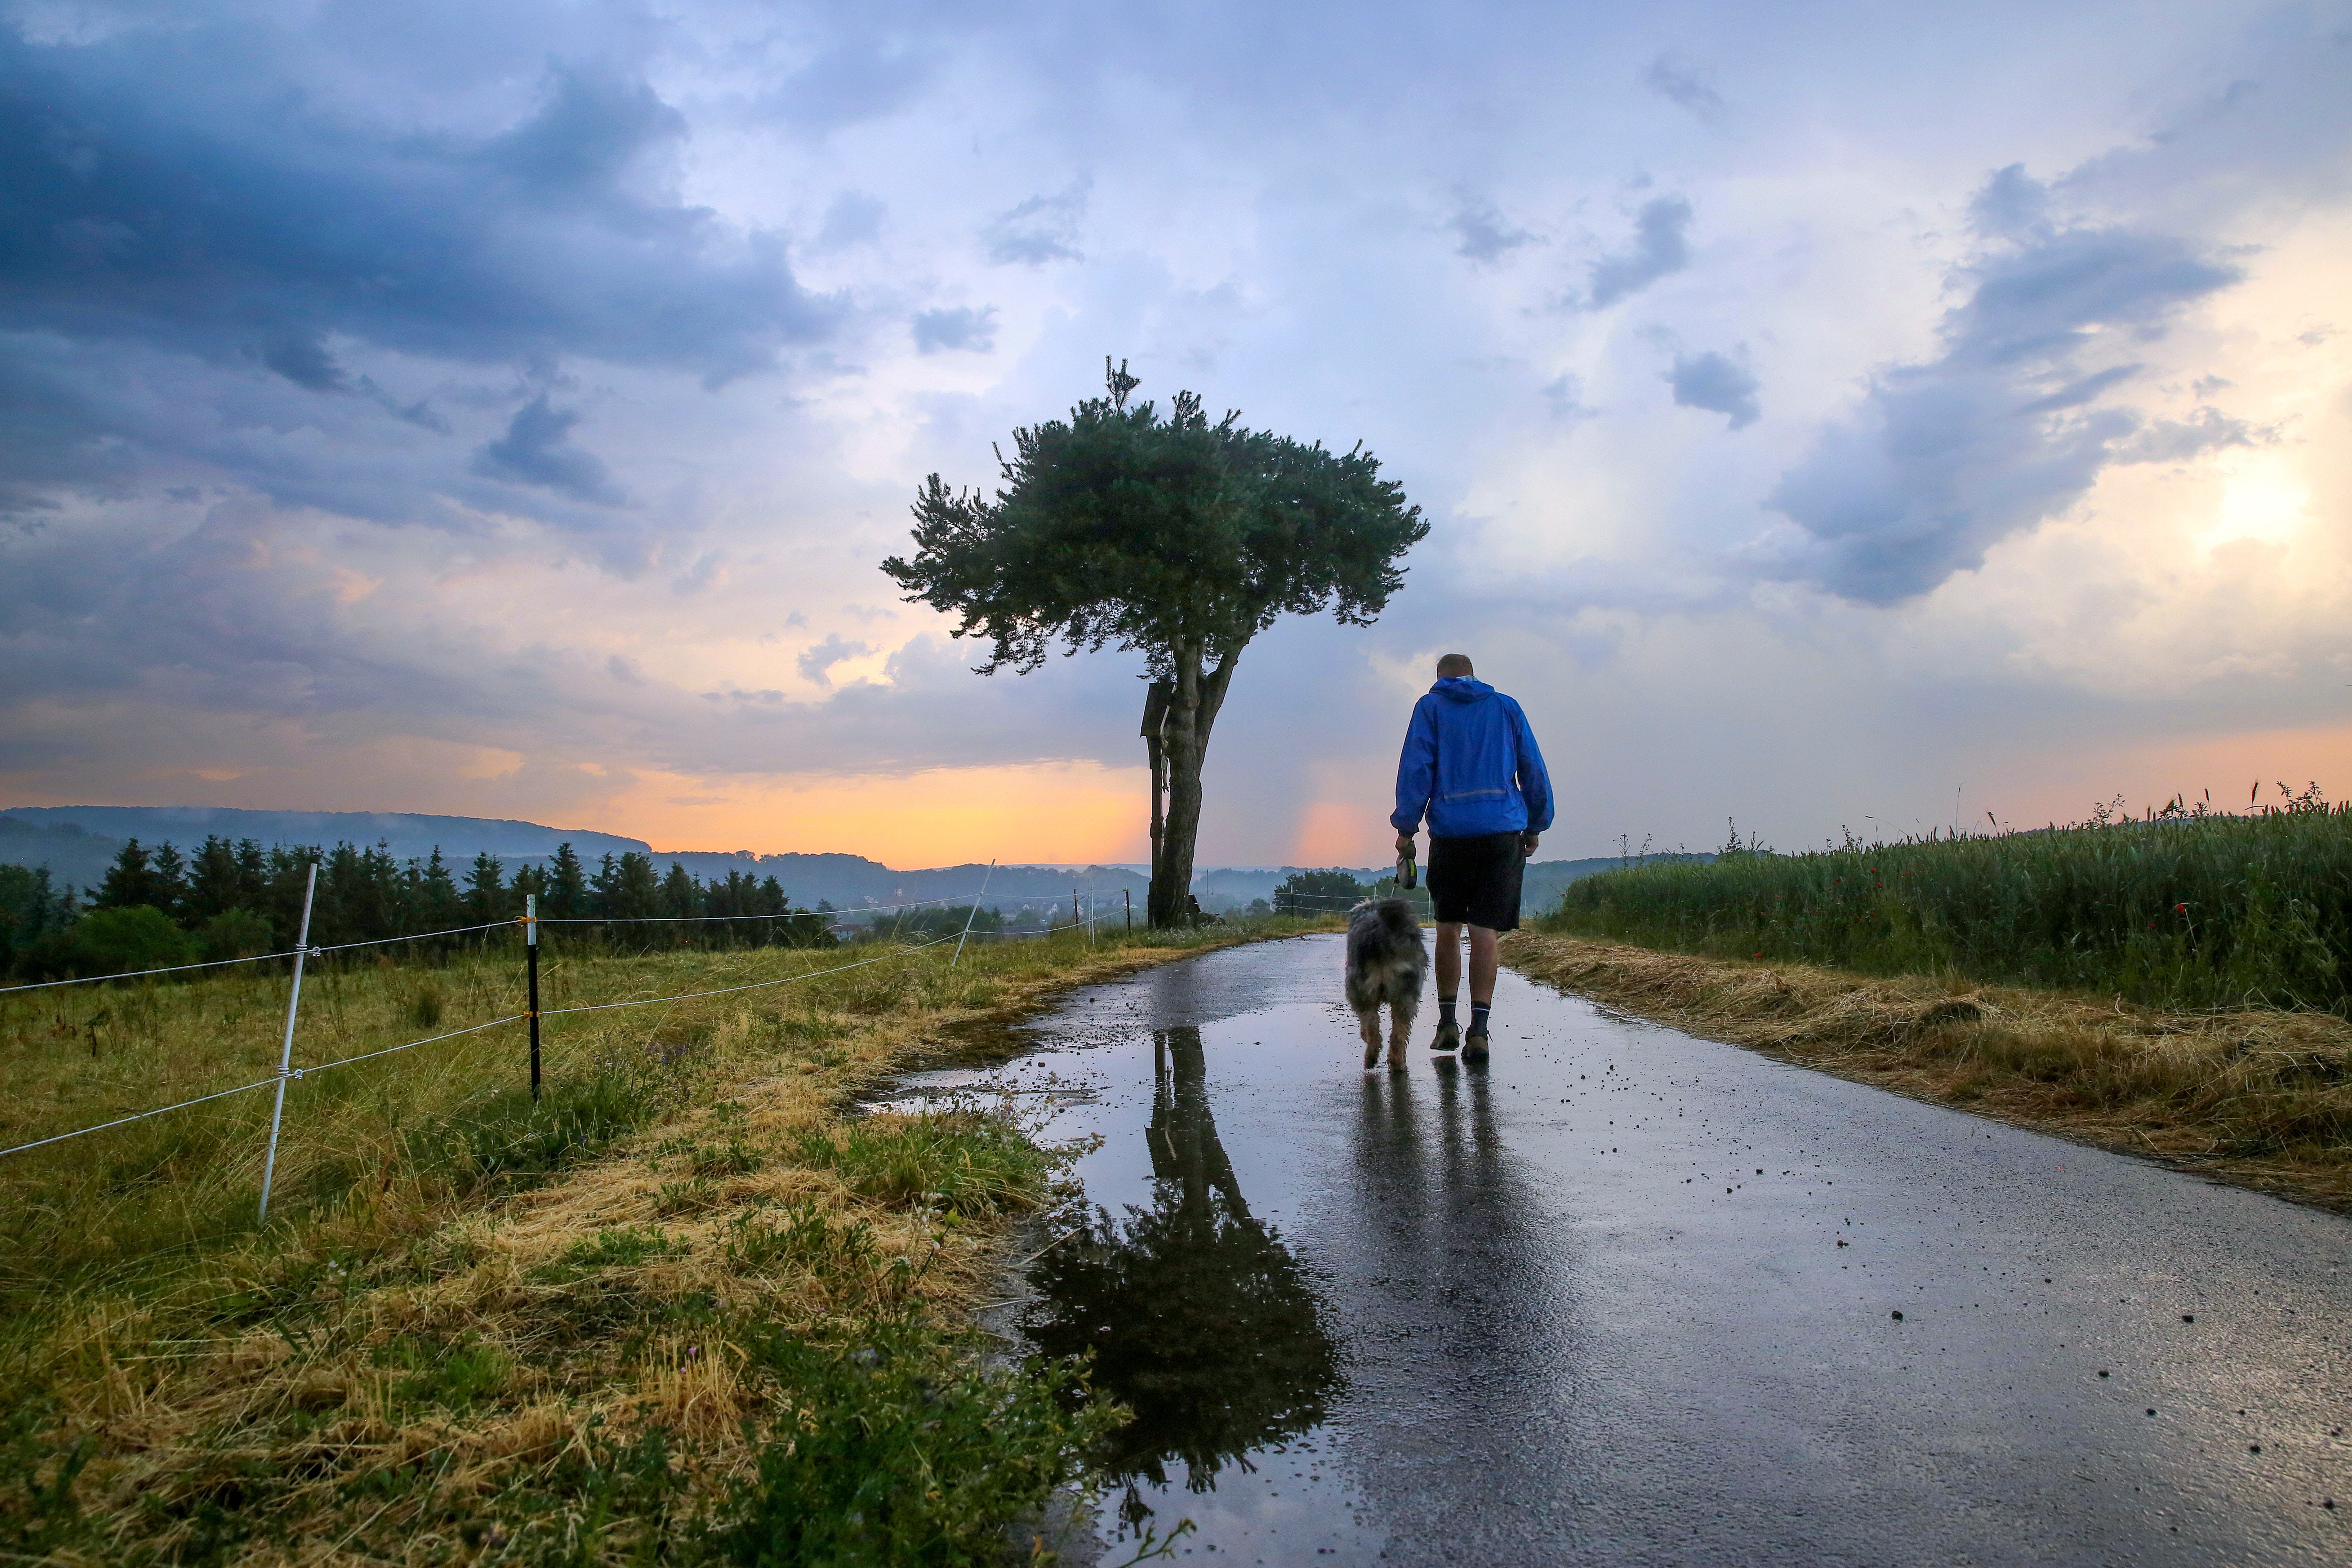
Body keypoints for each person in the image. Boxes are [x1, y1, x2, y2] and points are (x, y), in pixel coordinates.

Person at [1390, 653, 1553, 1063]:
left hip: (1451, 835)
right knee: (1485, 933)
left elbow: (1416, 768)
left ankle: (1447, 1023)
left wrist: (1406, 828)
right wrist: (1536, 824)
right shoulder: (1505, 707)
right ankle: (1479, 1031)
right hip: (1502, 834)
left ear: (1439, 678)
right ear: (1474, 674)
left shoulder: (1430, 708)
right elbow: (1532, 768)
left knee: (1448, 929)